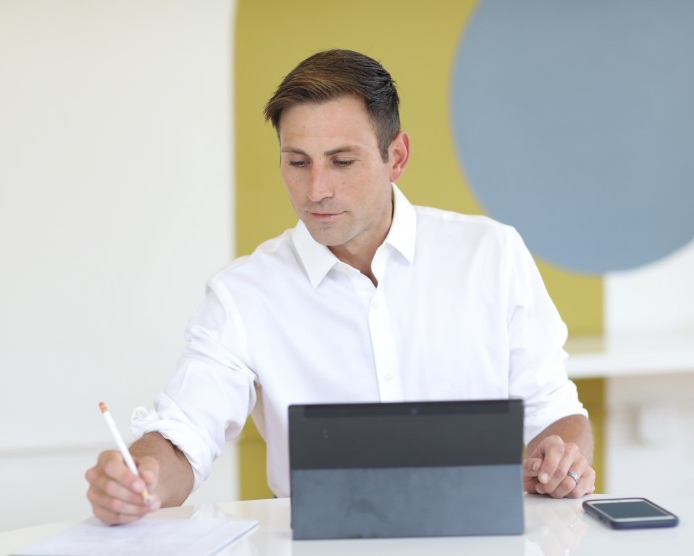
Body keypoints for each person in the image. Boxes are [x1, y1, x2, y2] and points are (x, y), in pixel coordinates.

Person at [86, 49, 596, 525]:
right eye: (297, 161)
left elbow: (557, 414)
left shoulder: (491, 255)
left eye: (342, 161)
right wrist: (142, 479)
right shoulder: (244, 294)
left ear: (396, 157)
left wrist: (561, 458)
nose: (316, 190)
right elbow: (182, 437)